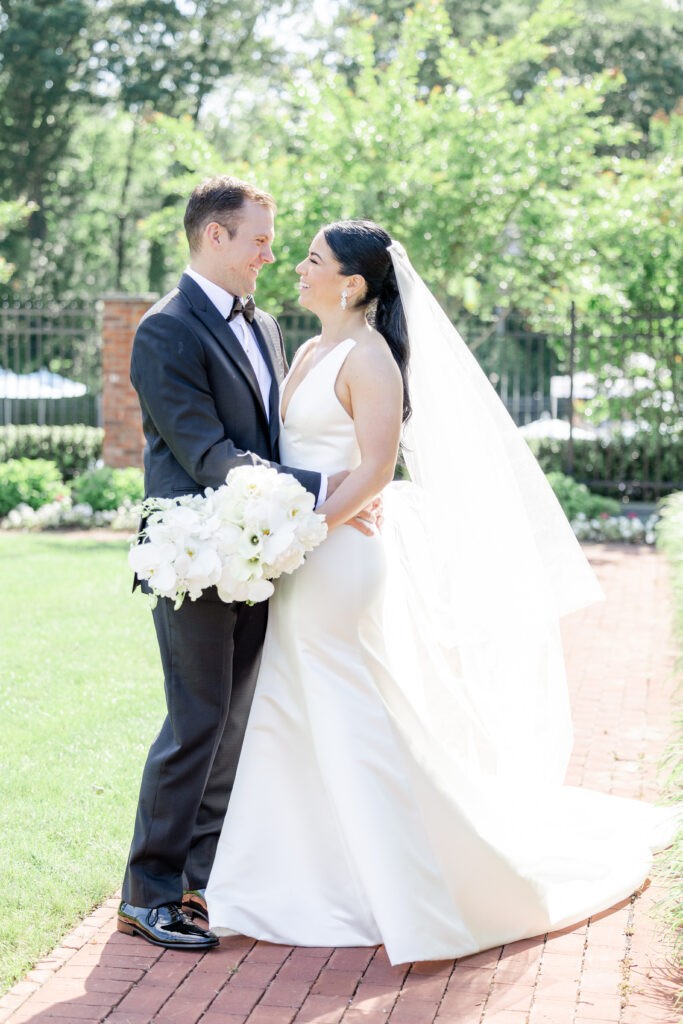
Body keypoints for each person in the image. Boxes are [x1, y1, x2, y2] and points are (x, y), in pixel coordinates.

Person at [206, 220, 673, 964]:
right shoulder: (308, 349)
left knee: (348, 707)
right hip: (301, 552)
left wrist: (302, 533)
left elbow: (376, 470)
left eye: (313, 260)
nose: (297, 267)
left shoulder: (370, 360)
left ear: (352, 284)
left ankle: (416, 887)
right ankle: (289, 877)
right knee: (292, 704)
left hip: (337, 556)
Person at [118, 177, 371, 951]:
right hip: (196, 552)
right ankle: (148, 892)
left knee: (236, 719)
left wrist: (307, 502)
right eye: (260, 238)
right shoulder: (165, 330)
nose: (271, 253)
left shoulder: (262, 327)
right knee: (195, 720)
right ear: (214, 237)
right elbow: (207, 454)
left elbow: (272, 441)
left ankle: (202, 877)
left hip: (261, 551)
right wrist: (339, 486)